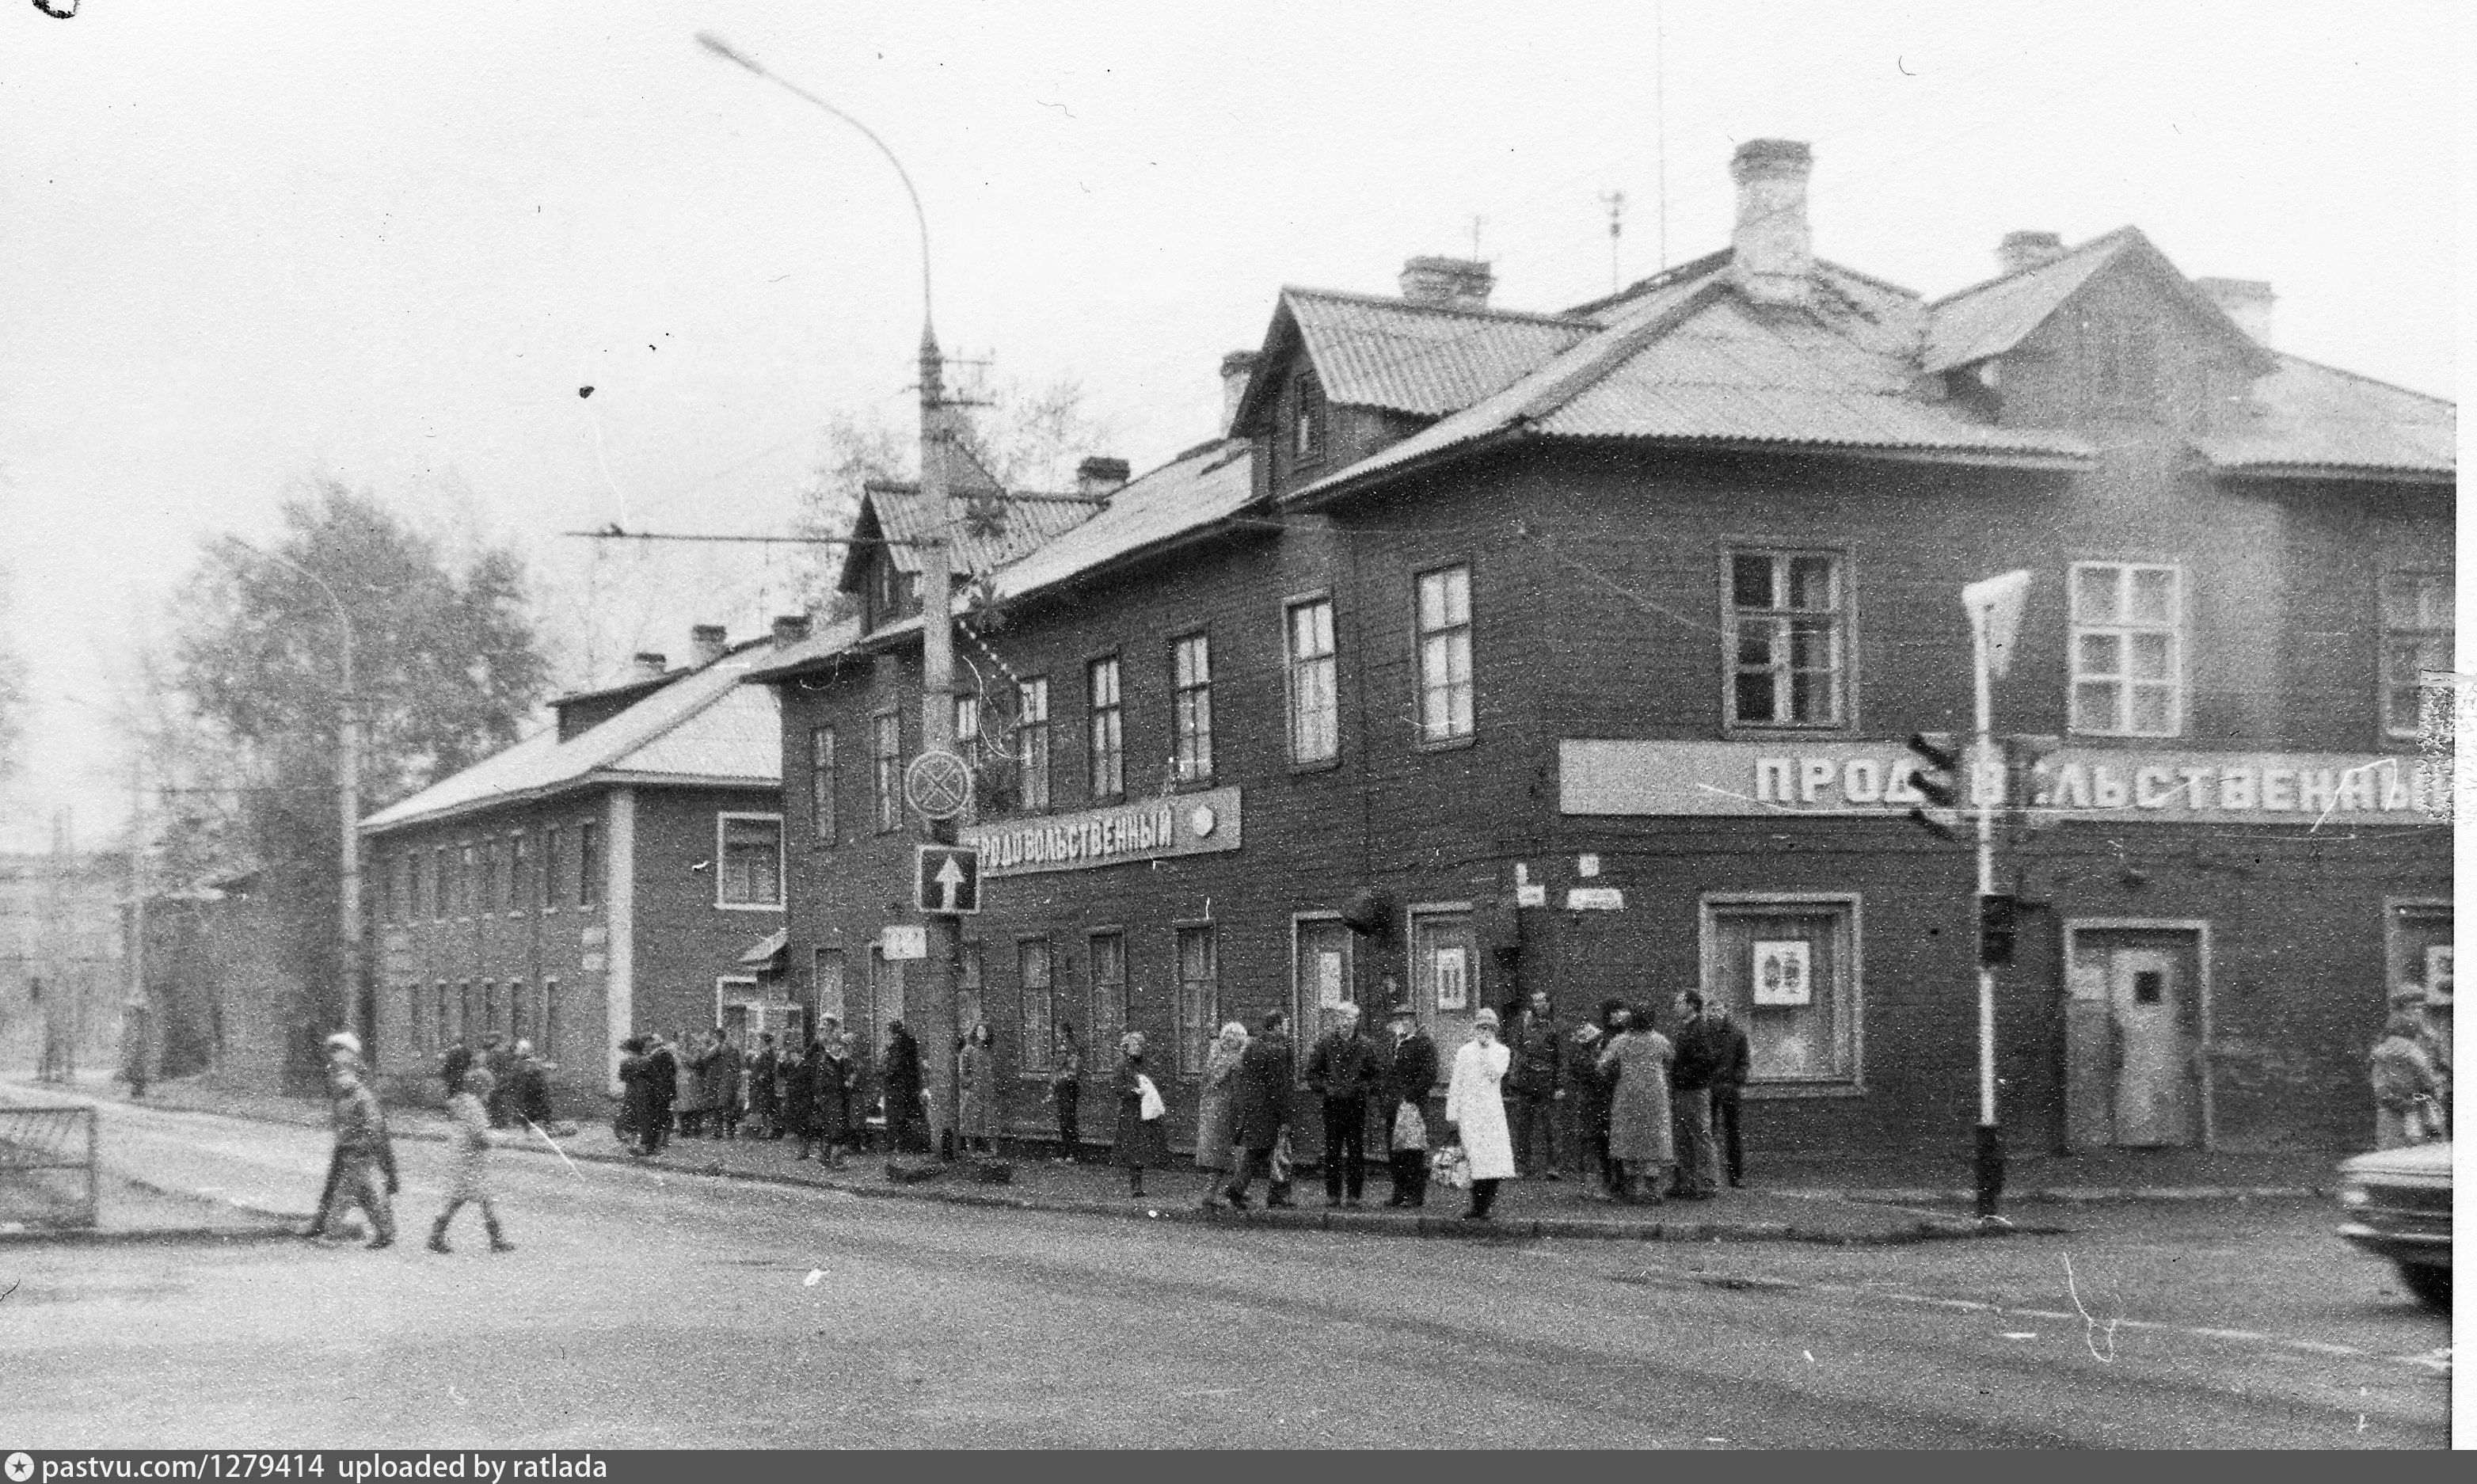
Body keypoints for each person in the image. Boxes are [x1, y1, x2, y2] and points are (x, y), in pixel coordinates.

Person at [429, 1065, 516, 1254]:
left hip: (463, 1159)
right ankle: (496, 1239)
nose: (491, 1092)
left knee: (461, 1198)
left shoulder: (463, 1105)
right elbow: (479, 1136)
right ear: (481, 1087)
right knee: (481, 1198)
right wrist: (500, 1139)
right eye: (489, 1087)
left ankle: (436, 1235)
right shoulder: (475, 1107)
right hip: (471, 1161)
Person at [1305, 1002, 1382, 1208]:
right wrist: (1325, 1087)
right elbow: (1312, 1073)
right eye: (1343, 1018)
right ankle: (1333, 1194)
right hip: (1333, 1104)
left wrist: (1363, 1088)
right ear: (1337, 1020)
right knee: (1333, 1150)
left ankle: (1354, 1195)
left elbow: (1376, 1075)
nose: (1347, 1023)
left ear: (1357, 1021)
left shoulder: (1366, 1045)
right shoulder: (1325, 1044)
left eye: (1351, 1019)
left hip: (1356, 1104)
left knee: (1356, 1150)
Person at [1598, 1001, 1676, 1204]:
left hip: (1627, 1094)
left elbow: (1601, 1064)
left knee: (1628, 1138)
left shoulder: (1620, 1041)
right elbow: (1671, 1059)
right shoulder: (1659, 1040)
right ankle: (1653, 1188)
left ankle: (1631, 1186)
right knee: (1653, 1139)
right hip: (1655, 1096)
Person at [1444, 1006, 1517, 1220]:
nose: (1485, 1031)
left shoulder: (1502, 1051)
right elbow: (1456, 1083)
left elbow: (1496, 1073)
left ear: (1495, 1030)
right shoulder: (1465, 1051)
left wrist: (1486, 1051)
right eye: (1481, 1027)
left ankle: (1485, 1204)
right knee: (1473, 1159)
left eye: (1489, 1028)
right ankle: (1476, 1205)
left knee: (1491, 1160)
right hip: (1469, 1112)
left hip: (1490, 1112)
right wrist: (1452, 1113)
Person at [1223, 1010, 1296, 1209]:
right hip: (1272, 1110)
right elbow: (1281, 1086)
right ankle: (1277, 1194)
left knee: (1257, 1151)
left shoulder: (1252, 1047)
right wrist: (1286, 1116)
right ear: (1276, 1026)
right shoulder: (1277, 1051)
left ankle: (1238, 1188)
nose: (1287, 1029)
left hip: (1255, 1108)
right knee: (1280, 1152)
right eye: (1285, 1025)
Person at [322, 1062, 398, 1249]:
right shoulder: (346, 1098)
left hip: (360, 1152)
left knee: (346, 1193)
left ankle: (331, 1231)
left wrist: (361, 1144)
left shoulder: (361, 1098)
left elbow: (374, 1125)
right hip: (353, 1150)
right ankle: (385, 1232)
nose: (335, 1083)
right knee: (367, 1195)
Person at [305, 1029, 370, 1238]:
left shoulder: (351, 1073)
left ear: (349, 1052)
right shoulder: (338, 1070)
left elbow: (362, 1106)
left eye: (338, 1050)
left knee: (354, 1185)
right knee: (342, 1183)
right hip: (346, 1137)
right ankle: (323, 1223)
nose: (334, 1056)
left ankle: (329, 1225)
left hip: (357, 1139)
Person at [1380, 999, 1439, 1208]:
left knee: (1413, 1150)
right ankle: (1399, 1191)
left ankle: (1414, 1194)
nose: (1402, 1023)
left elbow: (1430, 1073)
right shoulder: (1394, 1044)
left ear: (1413, 1020)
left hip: (1413, 1104)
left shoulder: (1423, 1043)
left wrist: (1411, 1094)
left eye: (1405, 1019)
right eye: (1398, 1019)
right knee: (1395, 1151)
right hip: (1393, 1105)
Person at [1667, 990, 1722, 1199]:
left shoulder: (1700, 1029)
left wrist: (1681, 1074)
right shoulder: (1687, 1028)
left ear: (1691, 1005)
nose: (1675, 1006)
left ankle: (1707, 1183)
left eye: (1679, 1002)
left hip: (1695, 1090)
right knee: (1683, 1136)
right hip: (1684, 1089)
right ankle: (1687, 1182)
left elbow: (1707, 1060)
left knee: (1700, 1135)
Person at [1505, 989, 1564, 1180]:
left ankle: (1554, 1166)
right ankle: (1522, 1165)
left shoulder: (1556, 1026)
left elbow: (1561, 1057)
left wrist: (1560, 1085)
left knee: (1551, 1126)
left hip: (1547, 1079)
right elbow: (1517, 1049)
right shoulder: (1525, 1024)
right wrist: (1515, 1076)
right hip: (1527, 1079)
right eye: (1535, 1002)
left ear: (1549, 1004)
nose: (1539, 1005)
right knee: (1523, 1125)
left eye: (1543, 1002)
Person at [1566, 999, 1624, 1194]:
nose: (1621, 1015)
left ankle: (1617, 1182)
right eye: (1616, 1011)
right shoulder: (1602, 1038)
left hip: (1614, 1095)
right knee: (1601, 1140)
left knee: (1612, 1140)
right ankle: (1608, 1182)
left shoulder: (1624, 1036)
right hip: (1601, 1097)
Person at [2369, 1008, 2445, 1149]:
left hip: (2388, 1114)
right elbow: (2429, 1081)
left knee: (2389, 1156)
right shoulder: (2414, 1052)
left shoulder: (2379, 1053)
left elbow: (2380, 1090)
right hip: (2416, 1112)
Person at [1195, 1021, 1249, 1209]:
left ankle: (1232, 1188)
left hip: (1211, 1110)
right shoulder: (1235, 1061)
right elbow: (1238, 1088)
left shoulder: (1214, 1058)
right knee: (1225, 1153)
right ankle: (1210, 1195)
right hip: (1226, 1110)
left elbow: (1205, 1085)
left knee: (1223, 1153)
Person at [1113, 1030, 1170, 1197]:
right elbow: (1117, 1087)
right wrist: (1133, 1090)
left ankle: (1139, 1183)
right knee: (1133, 1149)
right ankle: (1135, 1185)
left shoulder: (1146, 1064)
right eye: (1134, 1045)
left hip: (1146, 1111)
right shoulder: (1122, 1065)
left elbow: (1157, 1080)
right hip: (1130, 1111)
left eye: (1140, 1045)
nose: (1138, 1048)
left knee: (1143, 1148)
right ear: (1127, 1047)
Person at [1707, 1000, 1752, 1188]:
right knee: (1708, 1132)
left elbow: (1743, 1061)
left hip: (1729, 1088)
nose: (1715, 1014)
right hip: (1709, 1088)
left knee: (1732, 1132)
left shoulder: (1737, 1035)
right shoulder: (1704, 1033)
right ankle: (1710, 1174)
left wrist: (1736, 1080)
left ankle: (1735, 1175)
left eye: (1719, 1009)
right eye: (1712, 1010)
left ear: (1725, 1011)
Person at [811, 1028, 854, 1167]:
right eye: (834, 1046)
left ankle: (826, 1157)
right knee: (834, 1129)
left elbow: (850, 1074)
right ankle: (833, 1159)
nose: (837, 1049)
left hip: (841, 1099)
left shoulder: (842, 1062)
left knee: (836, 1129)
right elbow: (821, 1084)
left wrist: (849, 1080)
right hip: (831, 1100)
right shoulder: (825, 1063)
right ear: (828, 1048)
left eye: (839, 1046)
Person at [882, 1020, 927, 1155]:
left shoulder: (898, 1045)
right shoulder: (909, 1042)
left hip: (898, 1086)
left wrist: (886, 1071)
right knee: (904, 1116)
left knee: (897, 1116)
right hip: (908, 1085)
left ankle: (898, 1145)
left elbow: (894, 1065)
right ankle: (903, 1144)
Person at [957, 1023, 998, 1155]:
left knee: (989, 1118)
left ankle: (992, 1149)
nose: (982, 1034)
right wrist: (971, 1082)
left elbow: (992, 1069)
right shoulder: (968, 1050)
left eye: (985, 1032)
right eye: (980, 1031)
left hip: (987, 1089)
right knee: (970, 1118)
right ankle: (971, 1148)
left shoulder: (988, 1051)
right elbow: (964, 1072)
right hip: (974, 1090)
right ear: (975, 1032)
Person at [1048, 1021, 1085, 1163]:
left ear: (1065, 1033)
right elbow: (1055, 1069)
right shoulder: (1059, 1049)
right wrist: (1052, 1087)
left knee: (1069, 1120)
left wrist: (1064, 1079)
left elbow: (1073, 1070)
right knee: (1063, 1120)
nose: (1057, 1035)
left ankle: (1073, 1152)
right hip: (1061, 1087)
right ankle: (1066, 1151)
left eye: (1059, 1032)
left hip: (1069, 1087)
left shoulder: (1071, 1049)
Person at [617, 1036, 657, 1155]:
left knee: (631, 1116)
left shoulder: (626, 1062)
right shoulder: (647, 1061)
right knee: (644, 1117)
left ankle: (633, 1144)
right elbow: (653, 1077)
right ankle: (643, 1145)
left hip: (631, 1091)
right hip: (645, 1091)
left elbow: (621, 1077)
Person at [645, 1033, 679, 1151]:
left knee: (659, 1114)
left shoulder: (657, 1056)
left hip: (659, 1090)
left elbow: (652, 1073)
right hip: (666, 1089)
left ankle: (660, 1139)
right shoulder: (667, 1054)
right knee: (665, 1113)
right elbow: (674, 1070)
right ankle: (665, 1138)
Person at [711, 1029, 746, 1140]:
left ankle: (721, 1131)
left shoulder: (722, 1049)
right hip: (726, 1081)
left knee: (722, 1107)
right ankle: (727, 1130)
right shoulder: (730, 1049)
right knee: (726, 1107)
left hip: (724, 1081)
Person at [748, 1032, 782, 1140]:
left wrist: (763, 1075)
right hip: (760, 1084)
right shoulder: (762, 1053)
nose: (760, 1042)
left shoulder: (769, 1053)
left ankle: (769, 1129)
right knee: (762, 1107)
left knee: (767, 1106)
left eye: (761, 1040)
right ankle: (764, 1128)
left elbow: (769, 1068)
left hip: (767, 1084)